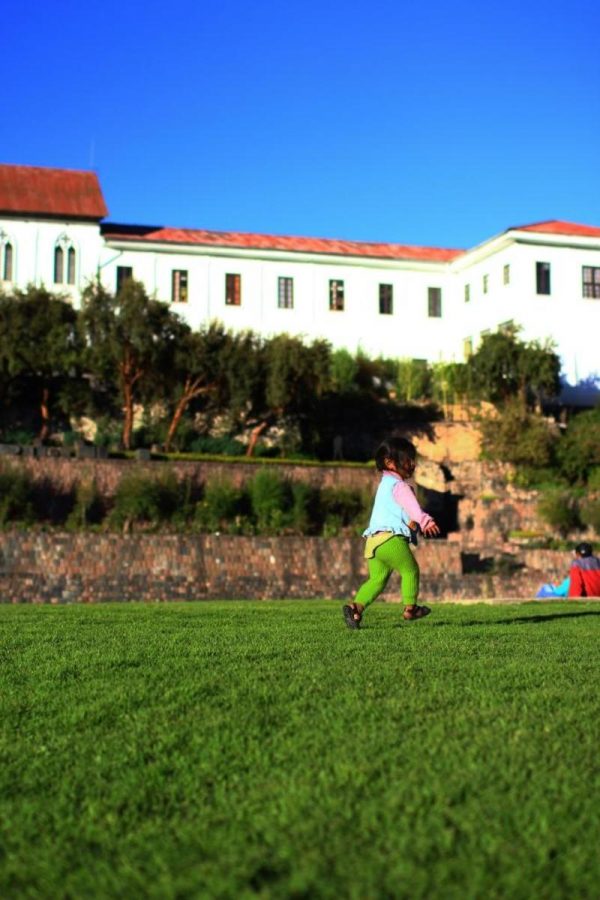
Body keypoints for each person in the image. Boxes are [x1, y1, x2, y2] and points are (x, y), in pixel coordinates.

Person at [343, 436, 440, 629]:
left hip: (373, 542)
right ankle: (410, 609)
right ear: (390, 462)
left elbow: (399, 512)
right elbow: (413, 508)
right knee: (410, 570)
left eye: (413, 459)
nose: (412, 464)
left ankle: (355, 608)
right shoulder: (400, 486)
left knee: (377, 580)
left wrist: (412, 525)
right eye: (407, 459)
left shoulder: (384, 486)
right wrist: (425, 520)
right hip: (390, 540)